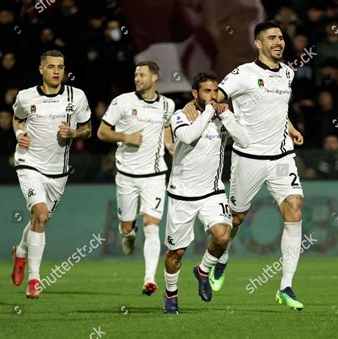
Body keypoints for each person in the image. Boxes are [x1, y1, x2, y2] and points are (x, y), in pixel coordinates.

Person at [183, 21, 305, 310]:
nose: (279, 42)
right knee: (235, 220)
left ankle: (286, 286)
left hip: (281, 157)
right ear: (258, 44)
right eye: (271, 38)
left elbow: (277, 108)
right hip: (248, 158)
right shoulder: (242, 75)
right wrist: (193, 107)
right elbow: (214, 97)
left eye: (280, 37)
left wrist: (289, 126)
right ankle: (214, 261)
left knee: (295, 208)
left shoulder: (288, 73)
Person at [163, 72, 248, 314]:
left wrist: (227, 115)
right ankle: (171, 294)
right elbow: (188, 137)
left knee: (223, 236)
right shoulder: (181, 115)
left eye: (215, 91)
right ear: (194, 94)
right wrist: (211, 111)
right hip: (182, 195)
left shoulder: (221, 118)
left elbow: (245, 140)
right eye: (206, 91)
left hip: (212, 192)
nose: (212, 96)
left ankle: (202, 271)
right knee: (176, 252)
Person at [10, 50, 92, 299]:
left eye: (61, 67)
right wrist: (19, 135)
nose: (57, 71)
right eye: (51, 67)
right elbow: (17, 119)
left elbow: (88, 129)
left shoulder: (76, 97)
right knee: (41, 214)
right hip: (29, 163)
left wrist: (74, 134)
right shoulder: (26, 96)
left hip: (59, 172)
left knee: (41, 220)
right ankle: (35, 279)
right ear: (41, 69)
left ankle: (21, 252)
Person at [97, 61, 175, 296]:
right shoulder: (122, 102)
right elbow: (102, 132)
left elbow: (166, 128)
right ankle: (128, 235)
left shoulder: (167, 105)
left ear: (154, 78)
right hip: (127, 176)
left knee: (152, 225)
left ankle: (149, 279)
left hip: (155, 175)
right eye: (135, 75)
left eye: (141, 75)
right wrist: (126, 137)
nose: (137, 78)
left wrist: (170, 145)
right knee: (127, 227)